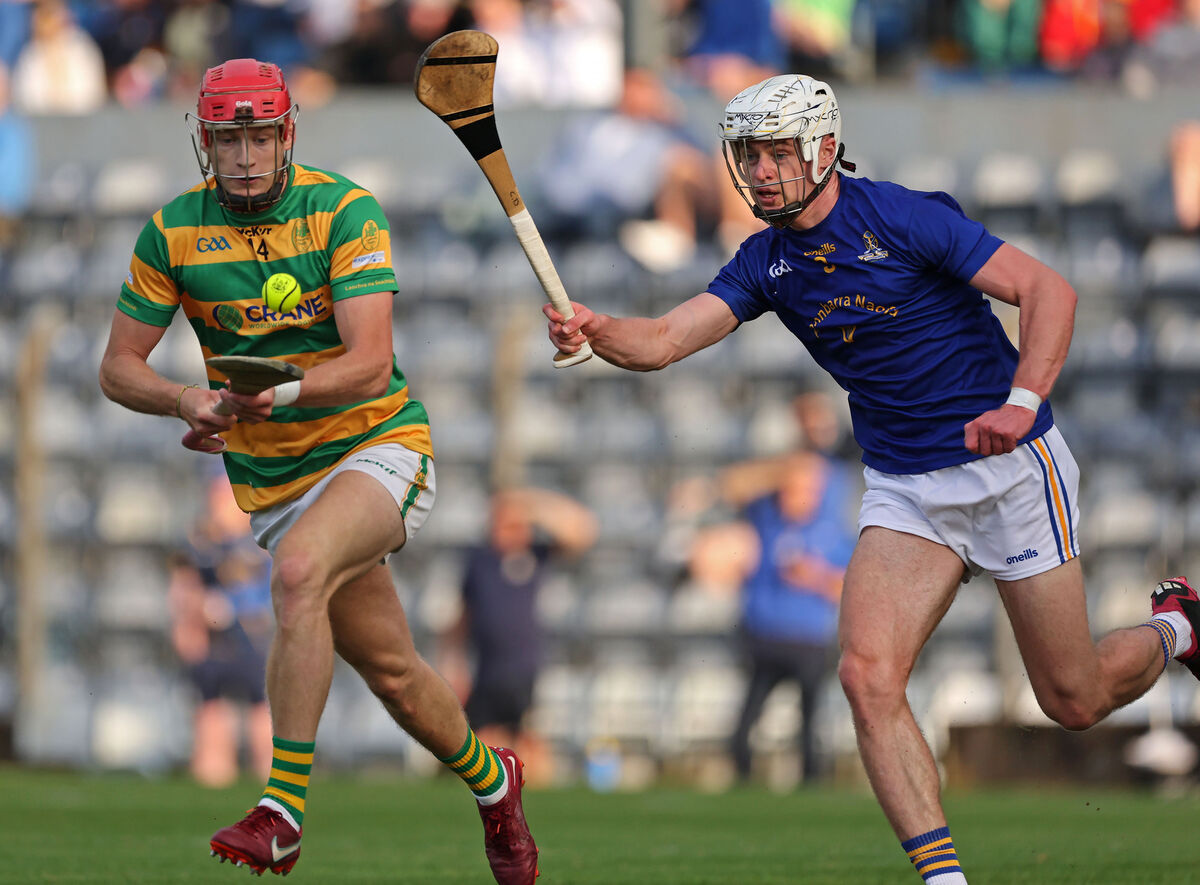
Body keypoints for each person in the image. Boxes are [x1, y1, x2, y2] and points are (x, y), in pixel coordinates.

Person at [545, 73, 1197, 883]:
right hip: (906, 486)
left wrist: (1024, 402)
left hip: (1010, 468)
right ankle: (944, 878)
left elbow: (1046, 289)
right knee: (865, 674)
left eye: (777, 154)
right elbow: (667, 338)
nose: (761, 173)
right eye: (749, 157)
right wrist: (598, 328)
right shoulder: (765, 262)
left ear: (822, 148)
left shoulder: (902, 215)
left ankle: (1180, 629)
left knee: (1074, 699)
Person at [98, 58, 538, 883]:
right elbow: (118, 367)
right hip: (276, 483)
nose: (247, 154)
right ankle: (494, 781)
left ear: (286, 133)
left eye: (260, 134)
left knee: (298, 573)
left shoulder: (342, 209)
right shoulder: (171, 231)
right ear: (205, 142)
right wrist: (184, 399)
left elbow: (371, 366)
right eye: (229, 138)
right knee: (398, 676)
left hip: (376, 444)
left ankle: (283, 811)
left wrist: (279, 391)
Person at [719, 451, 855, 785]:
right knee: (749, 715)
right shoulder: (766, 519)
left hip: (808, 639)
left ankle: (811, 781)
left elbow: (847, 586)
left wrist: (814, 576)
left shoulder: (831, 532)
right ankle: (743, 778)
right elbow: (731, 484)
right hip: (764, 635)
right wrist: (783, 471)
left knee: (809, 718)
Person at [450, 487, 598, 783]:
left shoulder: (536, 555)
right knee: (484, 749)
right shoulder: (479, 560)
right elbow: (459, 621)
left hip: (526, 670)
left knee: (530, 745)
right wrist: (454, 667)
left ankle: (536, 811)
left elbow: (583, 531)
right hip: (488, 670)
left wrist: (533, 505)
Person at [168, 473, 273, 788]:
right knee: (210, 705)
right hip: (213, 642)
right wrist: (187, 623)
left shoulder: (260, 539)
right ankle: (213, 770)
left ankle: (269, 776)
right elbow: (184, 587)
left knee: (261, 706)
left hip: (252, 639)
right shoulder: (201, 543)